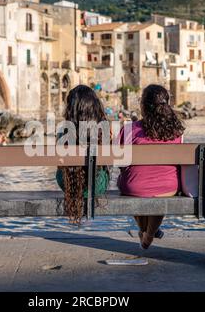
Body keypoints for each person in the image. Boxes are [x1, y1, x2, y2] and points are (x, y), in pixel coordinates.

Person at [117, 84, 185, 250]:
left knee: (134, 183)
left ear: (143, 106)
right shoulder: (177, 131)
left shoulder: (129, 129)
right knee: (158, 193)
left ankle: (145, 234)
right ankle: (148, 235)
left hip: (133, 188)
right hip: (168, 188)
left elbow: (118, 161)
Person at [56, 85, 110, 225]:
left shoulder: (64, 130)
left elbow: (59, 165)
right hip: (97, 186)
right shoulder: (102, 129)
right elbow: (106, 164)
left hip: (67, 183)